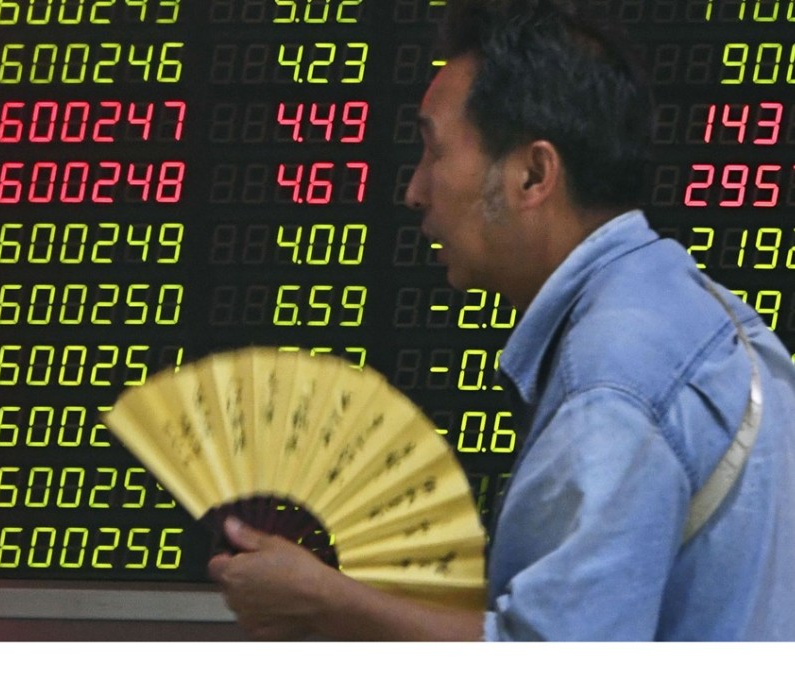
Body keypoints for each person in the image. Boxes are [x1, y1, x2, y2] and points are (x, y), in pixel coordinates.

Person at [207, 0, 795, 641]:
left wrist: (329, 605)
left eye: (434, 151)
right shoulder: (710, 319)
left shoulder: (611, 381)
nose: (414, 190)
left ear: (533, 174)